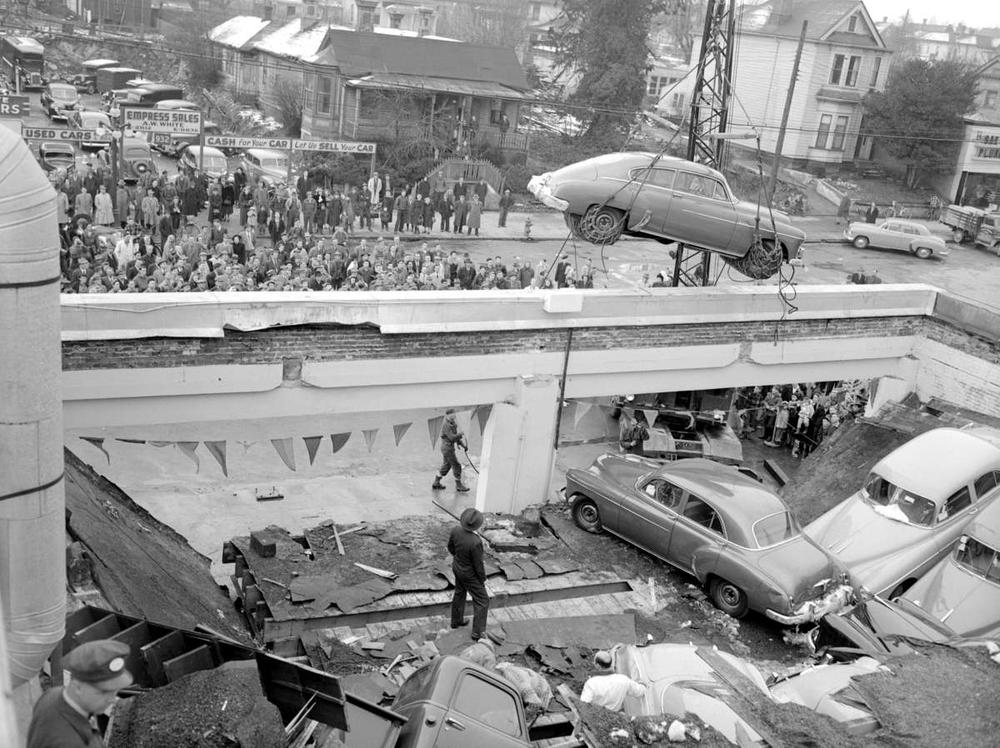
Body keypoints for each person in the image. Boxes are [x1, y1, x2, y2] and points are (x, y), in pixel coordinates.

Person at [26, 639, 134, 748]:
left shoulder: (53, 695)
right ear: (78, 687)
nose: (112, 699)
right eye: (104, 691)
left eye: (115, 690)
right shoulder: (68, 742)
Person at [448, 506, 489, 640]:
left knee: (459, 593)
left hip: (457, 567)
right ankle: (477, 632)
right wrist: (482, 579)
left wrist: (459, 559)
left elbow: (451, 548)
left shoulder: (456, 530)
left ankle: (456, 621)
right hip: (469, 574)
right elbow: (478, 565)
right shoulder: (476, 542)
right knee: (482, 600)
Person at [580, 649, 645, 711]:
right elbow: (640, 692)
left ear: (598, 666)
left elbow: (583, 706)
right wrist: (642, 684)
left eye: (594, 663)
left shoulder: (591, 683)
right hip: (613, 718)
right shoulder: (624, 680)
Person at [433, 408, 470, 492]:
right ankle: (459, 485)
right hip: (447, 448)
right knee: (456, 465)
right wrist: (460, 434)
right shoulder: (446, 425)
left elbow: (455, 437)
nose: (455, 415)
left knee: (446, 465)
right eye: (453, 414)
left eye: (455, 413)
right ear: (448, 415)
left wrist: (463, 445)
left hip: (449, 448)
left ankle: (436, 482)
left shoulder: (453, 424)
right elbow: (452, 437)